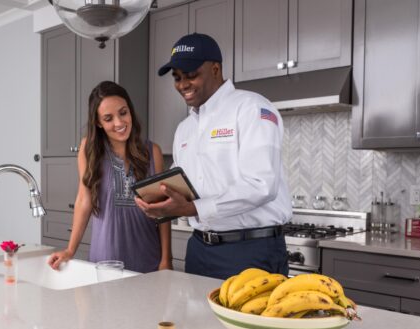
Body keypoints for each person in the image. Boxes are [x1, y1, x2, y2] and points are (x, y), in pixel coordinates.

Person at [136, 33, 292, 279]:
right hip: (199, 249)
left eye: (191, 75)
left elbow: (262, 185)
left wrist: (192, 209)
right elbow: (183, 184)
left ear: (216, 69)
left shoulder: (252, 108)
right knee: (196, 319)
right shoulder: (185, 128)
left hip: (251, 250)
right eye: (177, 78)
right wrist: (160, 202)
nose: (182, 84)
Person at [48, 81, 172, 273]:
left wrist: (166, 259)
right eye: (108, 118)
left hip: (148, 259)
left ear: (130, 111)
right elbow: (84, 199)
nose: (119, 123)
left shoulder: (152, 151)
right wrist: (70, 249)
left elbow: (163, 211)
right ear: (98, 122)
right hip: (105, 259)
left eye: (123, 113)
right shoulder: (88, 149)